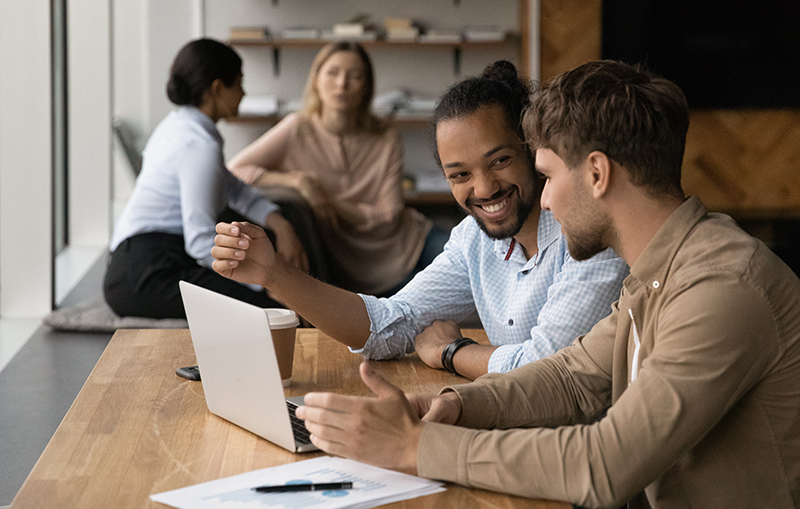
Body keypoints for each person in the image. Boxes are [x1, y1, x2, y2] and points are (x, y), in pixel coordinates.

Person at [291, 60, 800, 509]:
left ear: (597, 174)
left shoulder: (722, 287)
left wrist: (416, 446)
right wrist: (449, 406)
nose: (547, 198)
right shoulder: (661, 272)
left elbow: (606, 463)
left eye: (550, 174)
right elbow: (570, 378)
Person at [211, 60, 628, 380]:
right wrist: (274, 273)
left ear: (532, 151)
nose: (483, 189)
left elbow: (545, 366)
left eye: (499, 161)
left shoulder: (589, 235)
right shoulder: (474, 240)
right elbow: (388, 326)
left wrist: (452, 352)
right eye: (460, 175)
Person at [104, 38, 307, 319]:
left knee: (275, 309)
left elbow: (233, 187)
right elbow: (200, 239)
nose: (244, 93)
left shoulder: (181, 125)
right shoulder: (199, 146)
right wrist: (262, 284)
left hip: (137, 262)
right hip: (148, 273)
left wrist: (280, 224)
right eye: (239, 83)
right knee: (277, 316)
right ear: (217, 89)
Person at [227, 41, 445, 296]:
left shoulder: (386, 136)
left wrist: (326, 200)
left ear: (367, 87)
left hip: (409, 243)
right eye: (332, 73)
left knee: (474, 261)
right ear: (316, 79)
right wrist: (298, 182)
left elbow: (389, 216)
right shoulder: (297, 128)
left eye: (355, 76)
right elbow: (234, 170)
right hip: (351, 265)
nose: (342, 84)